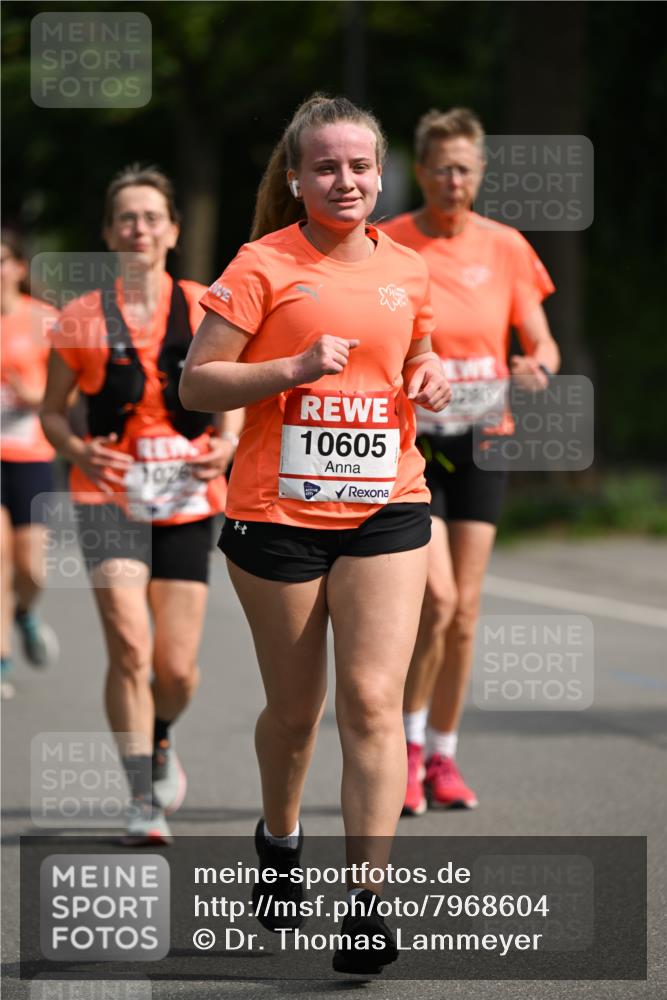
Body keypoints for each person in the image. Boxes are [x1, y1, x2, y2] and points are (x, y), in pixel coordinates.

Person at [179, 94, 451, 975]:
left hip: (387, 507)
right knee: (297, 715)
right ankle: (278, 835)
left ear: (381, 174)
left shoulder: (406, 269)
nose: (345, 180)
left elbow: (413, 353)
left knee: (372, 702)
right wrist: (290, 368)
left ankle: (366, 907)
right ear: (294, 178)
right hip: (276, 515)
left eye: (360, 166)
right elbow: (198, 385)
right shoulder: (262, 263)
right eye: (326, 166)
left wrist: (430, 370)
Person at [40, 166, 243, 844]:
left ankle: (159, 737)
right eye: (126, 218)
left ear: (173, 230)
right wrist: (77, 448)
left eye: (152, 217)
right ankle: (140, 797)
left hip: (188, 497)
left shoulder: (207, 304)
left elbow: (233, 391)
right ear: (108, 233)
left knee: (175, 668)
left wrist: (226, 443)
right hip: (108, 495)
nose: (139, 229)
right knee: (130, 645)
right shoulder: (79, 318)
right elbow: (51, 412)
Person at [381, 108, 560, 816]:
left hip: (483, 435)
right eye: (440, 167)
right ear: (420, 171)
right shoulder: (390, 246)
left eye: (465, 168)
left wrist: (536, 366)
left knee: (465, 613)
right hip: (415, 443)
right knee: (439, 600)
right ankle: (405, 749)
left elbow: (540, 340)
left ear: (480, 173)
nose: (453, 180)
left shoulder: (507, 247)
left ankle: (443, 758)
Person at [1, 229, 60, 700]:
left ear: (20, 266)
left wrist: (34, 398)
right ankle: (1, 661)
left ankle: (25, 613)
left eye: (4, 260)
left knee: (31, 569)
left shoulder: (45, 321)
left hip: (31, 457)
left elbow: (67, 395)